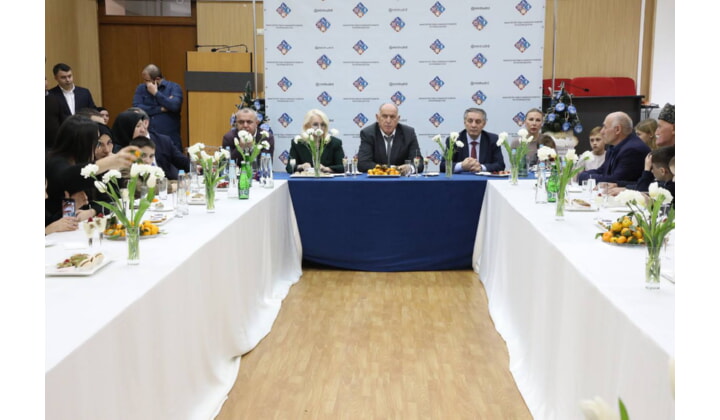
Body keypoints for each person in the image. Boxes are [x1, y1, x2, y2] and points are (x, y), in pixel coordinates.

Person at [46, 115, 139, 223]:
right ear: (83, 144)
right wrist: (110, 162)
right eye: (97, 143)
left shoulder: (82, 163)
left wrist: (92, 211)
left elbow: (110, 201)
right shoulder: (55, 164)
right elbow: (68, 178)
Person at [578, 112, 650, 186]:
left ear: (617, 129)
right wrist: (583, 175)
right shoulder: (613, 147)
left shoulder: (632, 150)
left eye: (605, 127)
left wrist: (584, 177)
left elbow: (613, 181)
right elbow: (602, 171)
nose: (602, 132)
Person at [358, 103, 423, 175]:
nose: (388, 121)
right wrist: (393, 169)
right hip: (377, 180)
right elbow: (363, 164)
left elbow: (419, 162)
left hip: (401, 180)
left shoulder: (408, 133)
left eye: (392, 117)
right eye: (384, 116)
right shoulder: (368, 133)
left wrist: (410, 168)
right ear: (377, 118)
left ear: (398, 119)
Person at [132, 64, 184, 152]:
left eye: (147, 80)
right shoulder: (141, 89)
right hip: (147, 140)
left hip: (170, 139)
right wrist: (161, 109)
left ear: (157, 79)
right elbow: (137, 108)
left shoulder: (174, 88)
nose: (145, 83)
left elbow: (174, 106)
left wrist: (156, 93)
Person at [440, 108, 504, 173]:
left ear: (484, 124)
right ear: (465, 122)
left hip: (484, 179)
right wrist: (461, 166)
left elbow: (500, 165)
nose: (473, 125)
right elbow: (443, 166)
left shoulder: (493, 140)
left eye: (478, 122)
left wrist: (481, 167)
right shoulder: (453, 140)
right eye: (470, 121)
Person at [285, 109, 345, 174]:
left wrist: (326, 168)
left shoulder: (334, 143)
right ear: (307, 126)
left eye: (322, 124)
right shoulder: (298, 143)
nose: (319, 128)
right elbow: (289, 167)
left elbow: (343, 167)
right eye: (315, 124)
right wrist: (301, 166)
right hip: (306, 179)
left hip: (327, 179)